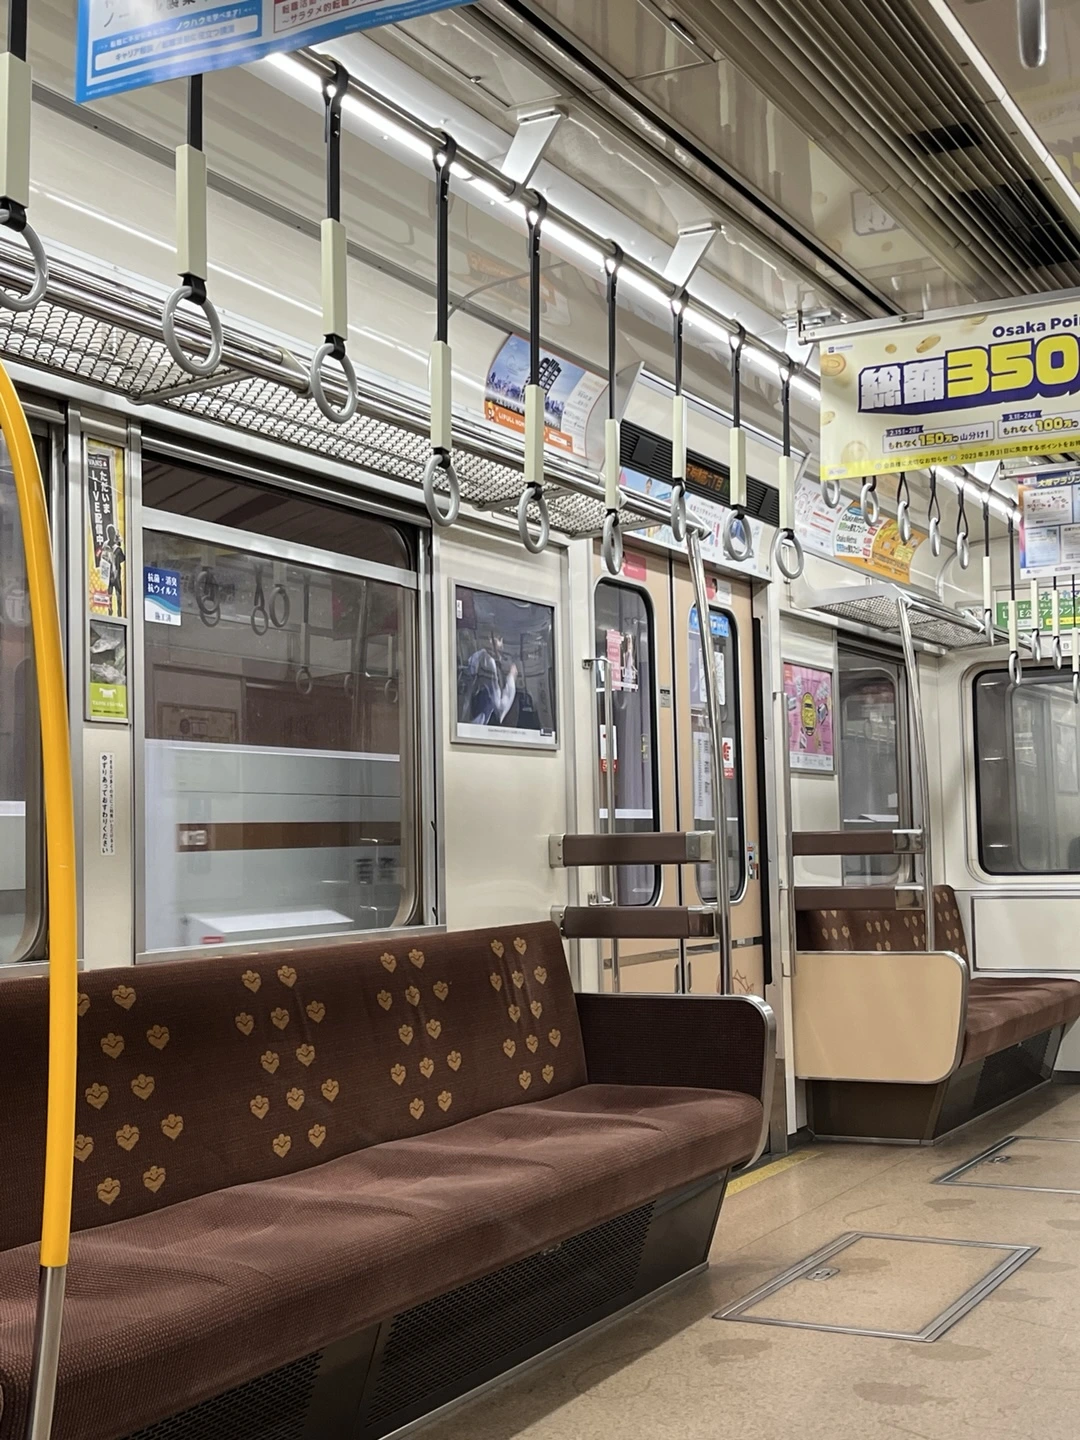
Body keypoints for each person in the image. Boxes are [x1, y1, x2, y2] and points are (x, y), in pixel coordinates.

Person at [463, 631, 518, 726]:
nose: (501, 645)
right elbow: (500, 709)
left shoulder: (476, 658)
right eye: (498, 639)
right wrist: (511, 678)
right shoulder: (487, 662)